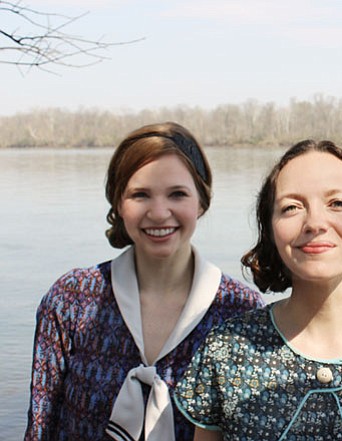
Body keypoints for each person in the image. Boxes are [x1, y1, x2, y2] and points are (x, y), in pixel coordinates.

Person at [174, 140, 342, 440]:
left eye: (337, 203)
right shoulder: (227, 350)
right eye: (291, 207)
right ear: (271, 230)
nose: (315, 223)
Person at [24, 122, 265, 441]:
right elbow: (41, 426)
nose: (159, 212)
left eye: (177, 194)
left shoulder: (240, 311)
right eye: (140, 195)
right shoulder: (71, 298)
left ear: (202, 202)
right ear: (118, 204)